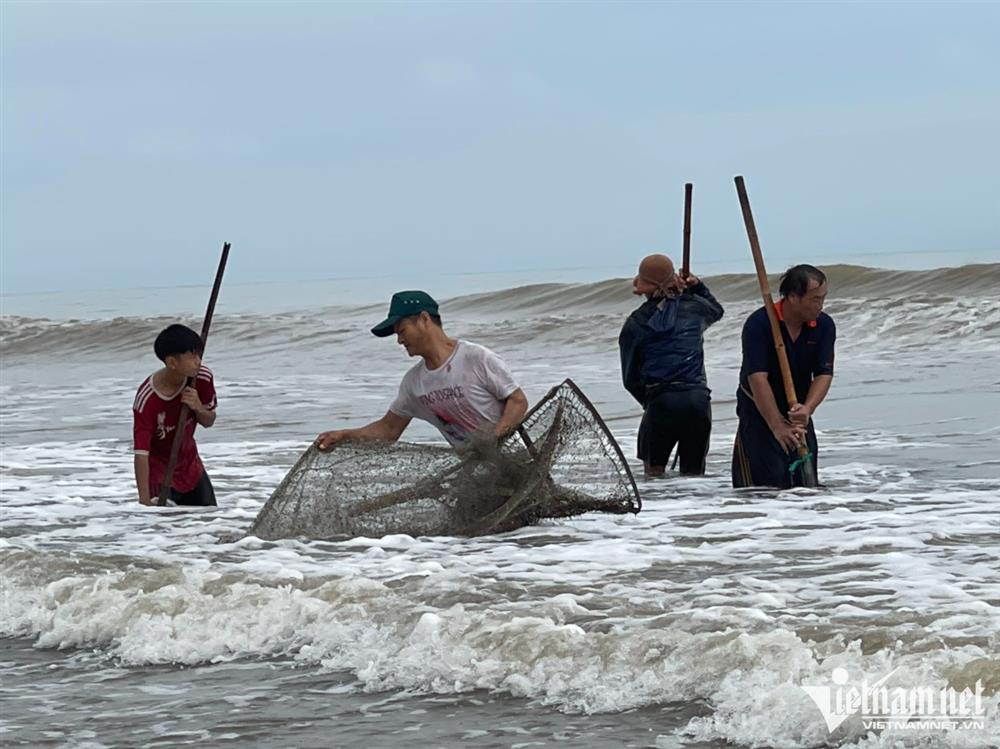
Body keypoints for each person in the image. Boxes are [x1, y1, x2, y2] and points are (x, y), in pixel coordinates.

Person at [316, 290, 528, 451]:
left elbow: (518, 401)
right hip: (474, 471)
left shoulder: (476, 358)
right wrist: (344, 435)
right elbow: (388, 430)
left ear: (425, 319)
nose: (399, 340)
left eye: (402, 331)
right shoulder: (414, 383)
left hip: (514, 459)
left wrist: (493, 442)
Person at [619, 253, 724, 476]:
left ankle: (661, 508)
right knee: (694, 475)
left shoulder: (636, 322)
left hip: (661, 401)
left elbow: (630, 379)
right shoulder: (695, 308)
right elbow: (717, 310)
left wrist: (650, 402)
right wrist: (697, 287)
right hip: (697, 400)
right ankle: (695, 509)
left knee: (653, 472)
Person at [732, 264, 835, 488]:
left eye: (823, 298)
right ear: (793, 297)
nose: (820, 305)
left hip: (797, 411)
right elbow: (757, 378)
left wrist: (807, 409)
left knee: (806, 486)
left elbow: (823, 373)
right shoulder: (760, 324)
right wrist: (777, 425)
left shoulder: (824, 325)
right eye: (815, 299)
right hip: (760, 411)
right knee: (761, 488)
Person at [133, 324, 218, 506]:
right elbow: (141, 453)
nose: (198, 361)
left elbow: (209, 421)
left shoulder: (202, 378)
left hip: (192, 470)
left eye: (198, 354)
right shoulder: (147, 399)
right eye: (192, 357)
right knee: (166, 533)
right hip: (161, 478)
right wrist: (145, 501)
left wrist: (198, 407)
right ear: (172, 363)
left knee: (211, 524)